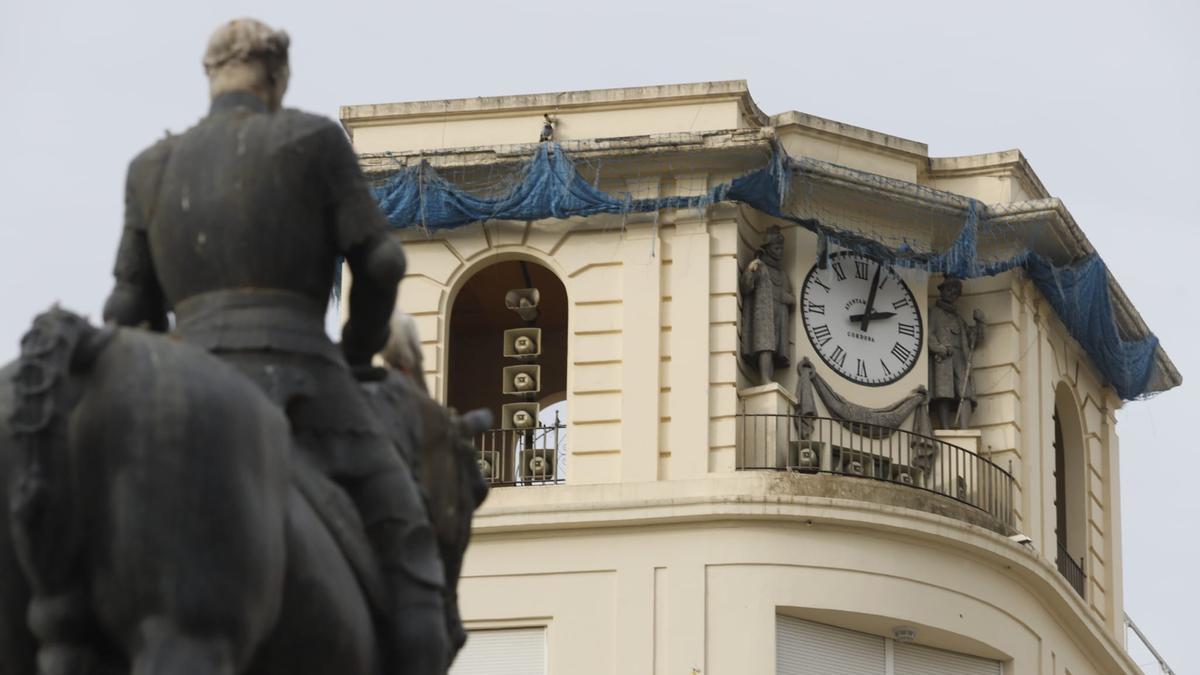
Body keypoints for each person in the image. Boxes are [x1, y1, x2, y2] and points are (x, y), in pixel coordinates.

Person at [102, 18, 449, 673]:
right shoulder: (314, 140)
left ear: (211, 77)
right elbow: (381, 266)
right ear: (279, 77)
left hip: (183, 387)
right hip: (308, 388)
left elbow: (126, 309)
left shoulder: (151, 167)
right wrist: (354, 350)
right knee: (411, 545)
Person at [928, 276, 986, 429]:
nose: (951, 293)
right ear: (941, 291)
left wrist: (980, 323)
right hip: (944, 358)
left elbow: (974, 338)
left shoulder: (959, 318)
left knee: (965, 392)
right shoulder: (934, 313)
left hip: (960, 357)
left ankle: (964, 428)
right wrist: (940, 349)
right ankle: (945, 427)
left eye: (955, 291)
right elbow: (929, 335)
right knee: (943, 392)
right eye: (948, 289)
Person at [739, 225, 795, 383]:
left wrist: (787, 298)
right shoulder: (759, 266)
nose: (780, 251)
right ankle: (764, 378)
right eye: (777, 248)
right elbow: (746, 286)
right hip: (763, 314)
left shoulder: (782, 274)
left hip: (779, 315)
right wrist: (750, 271)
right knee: (765, 345)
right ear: (768, 248)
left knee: (774, 347)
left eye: (781, 248)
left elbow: (789, 297)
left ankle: (768, 377)